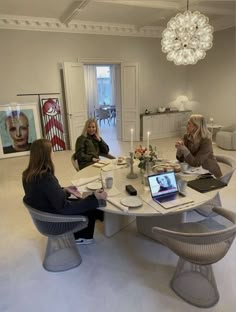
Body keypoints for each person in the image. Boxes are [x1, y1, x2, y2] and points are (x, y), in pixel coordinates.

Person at [22, 139, 107, 245]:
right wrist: (94, 198)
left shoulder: (27, 175)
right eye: (51, 150)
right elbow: (65, 208)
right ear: (46, 155)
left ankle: (99, 216)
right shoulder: (46, 178)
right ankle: (82, 237)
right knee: (90, 205)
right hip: (55, 220)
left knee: (83, 200)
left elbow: (44, 195)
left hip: (46, 213)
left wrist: (64, 190)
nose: (53, 153)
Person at [175, 114, 222, 178]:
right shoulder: (187, 136)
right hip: (195, 170)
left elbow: (196, 163)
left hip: (209, 173)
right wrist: (179, 149)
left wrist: (184, 149)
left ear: (196, 126)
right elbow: (181, 159)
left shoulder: (206, 140)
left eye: (189, 123)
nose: (186, 125)